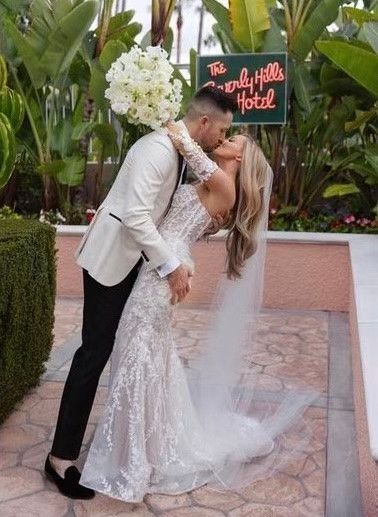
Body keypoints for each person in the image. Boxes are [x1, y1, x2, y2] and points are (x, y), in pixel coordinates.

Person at [78, 120, 318, 502]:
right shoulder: (217, 186)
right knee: (146, 354)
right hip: (164, 265)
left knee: (139, 351)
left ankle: (136, 452)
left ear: (238, 156)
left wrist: (170, 120)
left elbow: (187, 145)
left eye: (231, 138)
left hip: (163, 274)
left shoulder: (223, 185)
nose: (223, 138)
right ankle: (140, 443)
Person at [45, 87, 238, 499]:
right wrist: (170, 266)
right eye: (221, 129)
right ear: (203, 123)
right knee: (94, 352)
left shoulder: (179, 152)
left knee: (128, 350)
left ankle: (128, 440)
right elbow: (134, 214)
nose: (221, 138)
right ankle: (60, 458)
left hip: (138, 263)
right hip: (113, 260)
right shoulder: (157, 150)